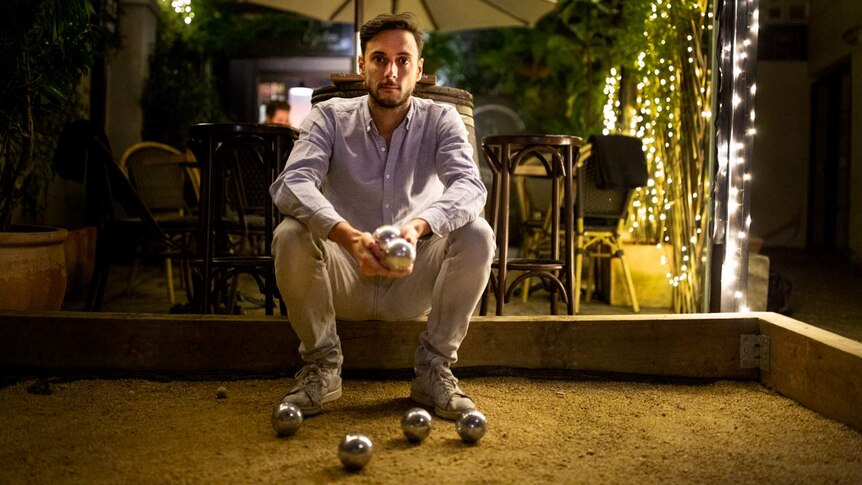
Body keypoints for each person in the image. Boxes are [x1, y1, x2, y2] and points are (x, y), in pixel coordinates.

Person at [269, 12, 494, 420]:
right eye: (379, 59)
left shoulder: (440, 119)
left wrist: (418, 227)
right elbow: (292, 184)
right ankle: (323, 366)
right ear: (362, 65)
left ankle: (433, 370)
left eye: (403, 60)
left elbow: (470, 186)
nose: (391, 71)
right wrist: (347, 236)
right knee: (289, 235)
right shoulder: (330, 116)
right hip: (345, 275)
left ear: (419, 69)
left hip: (414, 277)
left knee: (478, 233)